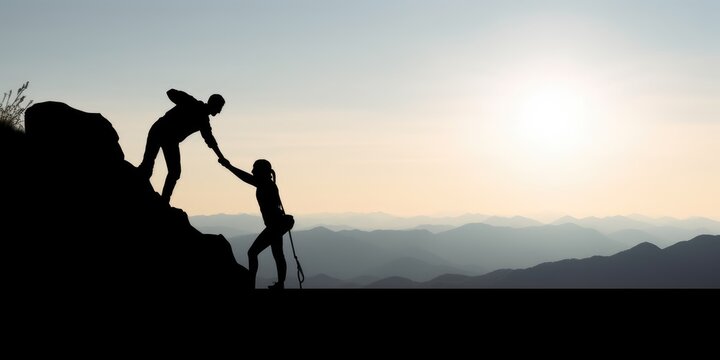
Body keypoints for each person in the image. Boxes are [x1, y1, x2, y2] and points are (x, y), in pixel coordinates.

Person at [138, 89, 227, 202]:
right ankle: (159, 200)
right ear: (214, 105)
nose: (219, 112)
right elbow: (170, 92)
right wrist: (183, 102)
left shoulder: (203, 121)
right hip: (159, 131)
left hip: (170, 139)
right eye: (220, 108)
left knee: (174, 172)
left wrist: (221, 157)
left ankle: (164, 201)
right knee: (148, 167)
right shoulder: (193, 104)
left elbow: (210, 141)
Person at [219, 158, 291, 290]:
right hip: (276, 225)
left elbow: (246, 178)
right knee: (278, 254)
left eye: (255, 168)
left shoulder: (265, 183)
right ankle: (280, 284)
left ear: (262, 171)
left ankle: (251, 284)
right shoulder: (268, 183)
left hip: (274, 225)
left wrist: (229, 166)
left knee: (253, 253)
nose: (252, 171)